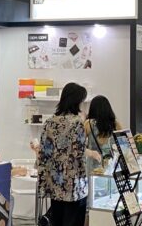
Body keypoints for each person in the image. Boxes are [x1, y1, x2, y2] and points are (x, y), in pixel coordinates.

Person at [35, 82, 89, 226]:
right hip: (73, 185)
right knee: (74, 220)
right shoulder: (77, 123)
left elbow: (44, 153)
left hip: (55, 183)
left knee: (57, 220)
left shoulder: (49, 122)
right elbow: (79, 154)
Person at [84, 95, 122, 175]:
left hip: (93, 167)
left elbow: (79, 145)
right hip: (112, 166)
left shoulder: (88, 124)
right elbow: (122, 145)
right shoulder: (116, 124)